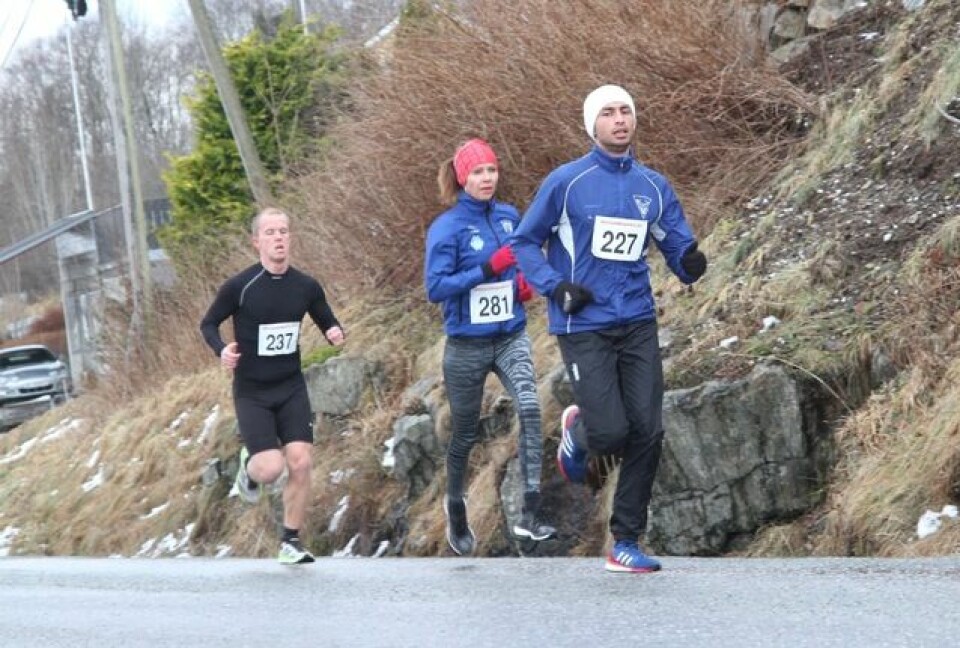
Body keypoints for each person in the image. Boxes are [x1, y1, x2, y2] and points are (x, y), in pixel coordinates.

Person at [511, 85, 708, 573]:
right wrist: (555, 287)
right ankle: (579, 429)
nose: (619, 120)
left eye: (625, 111)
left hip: (638, 319)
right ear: (591, 125)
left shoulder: (653, 187)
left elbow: (677, 245)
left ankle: (625, 541)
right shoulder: (567, 183)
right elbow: (523, 243)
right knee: (612, 431)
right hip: (584, 323)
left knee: (649, 429)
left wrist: (691, 263)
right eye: (608, 113)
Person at [424, 138, 557, 556]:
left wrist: (521, 286)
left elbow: (517, 268)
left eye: (492, 171)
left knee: (532, 408)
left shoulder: (508, 217)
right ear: (463, 178)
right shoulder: (446, 228)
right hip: (466, 345)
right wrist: (485, 269)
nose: (487, 179)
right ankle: (457, 507)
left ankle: (529, 513)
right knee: (464, 431)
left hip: (511, 336)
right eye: (478, 172)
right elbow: (435, 287)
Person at [200, 207, 345, 565]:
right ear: (257, 242)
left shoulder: (305, 286)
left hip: (291, 386)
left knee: (301, 461)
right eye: (271, 233)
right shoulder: (240, 287)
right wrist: (223, 351)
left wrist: (333, 331)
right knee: (270, 469)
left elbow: (326, 318)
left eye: (284, 231)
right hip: (253, 392)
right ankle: (248, 466)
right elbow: (208, 324)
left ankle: (291, 542)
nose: (279, 238)